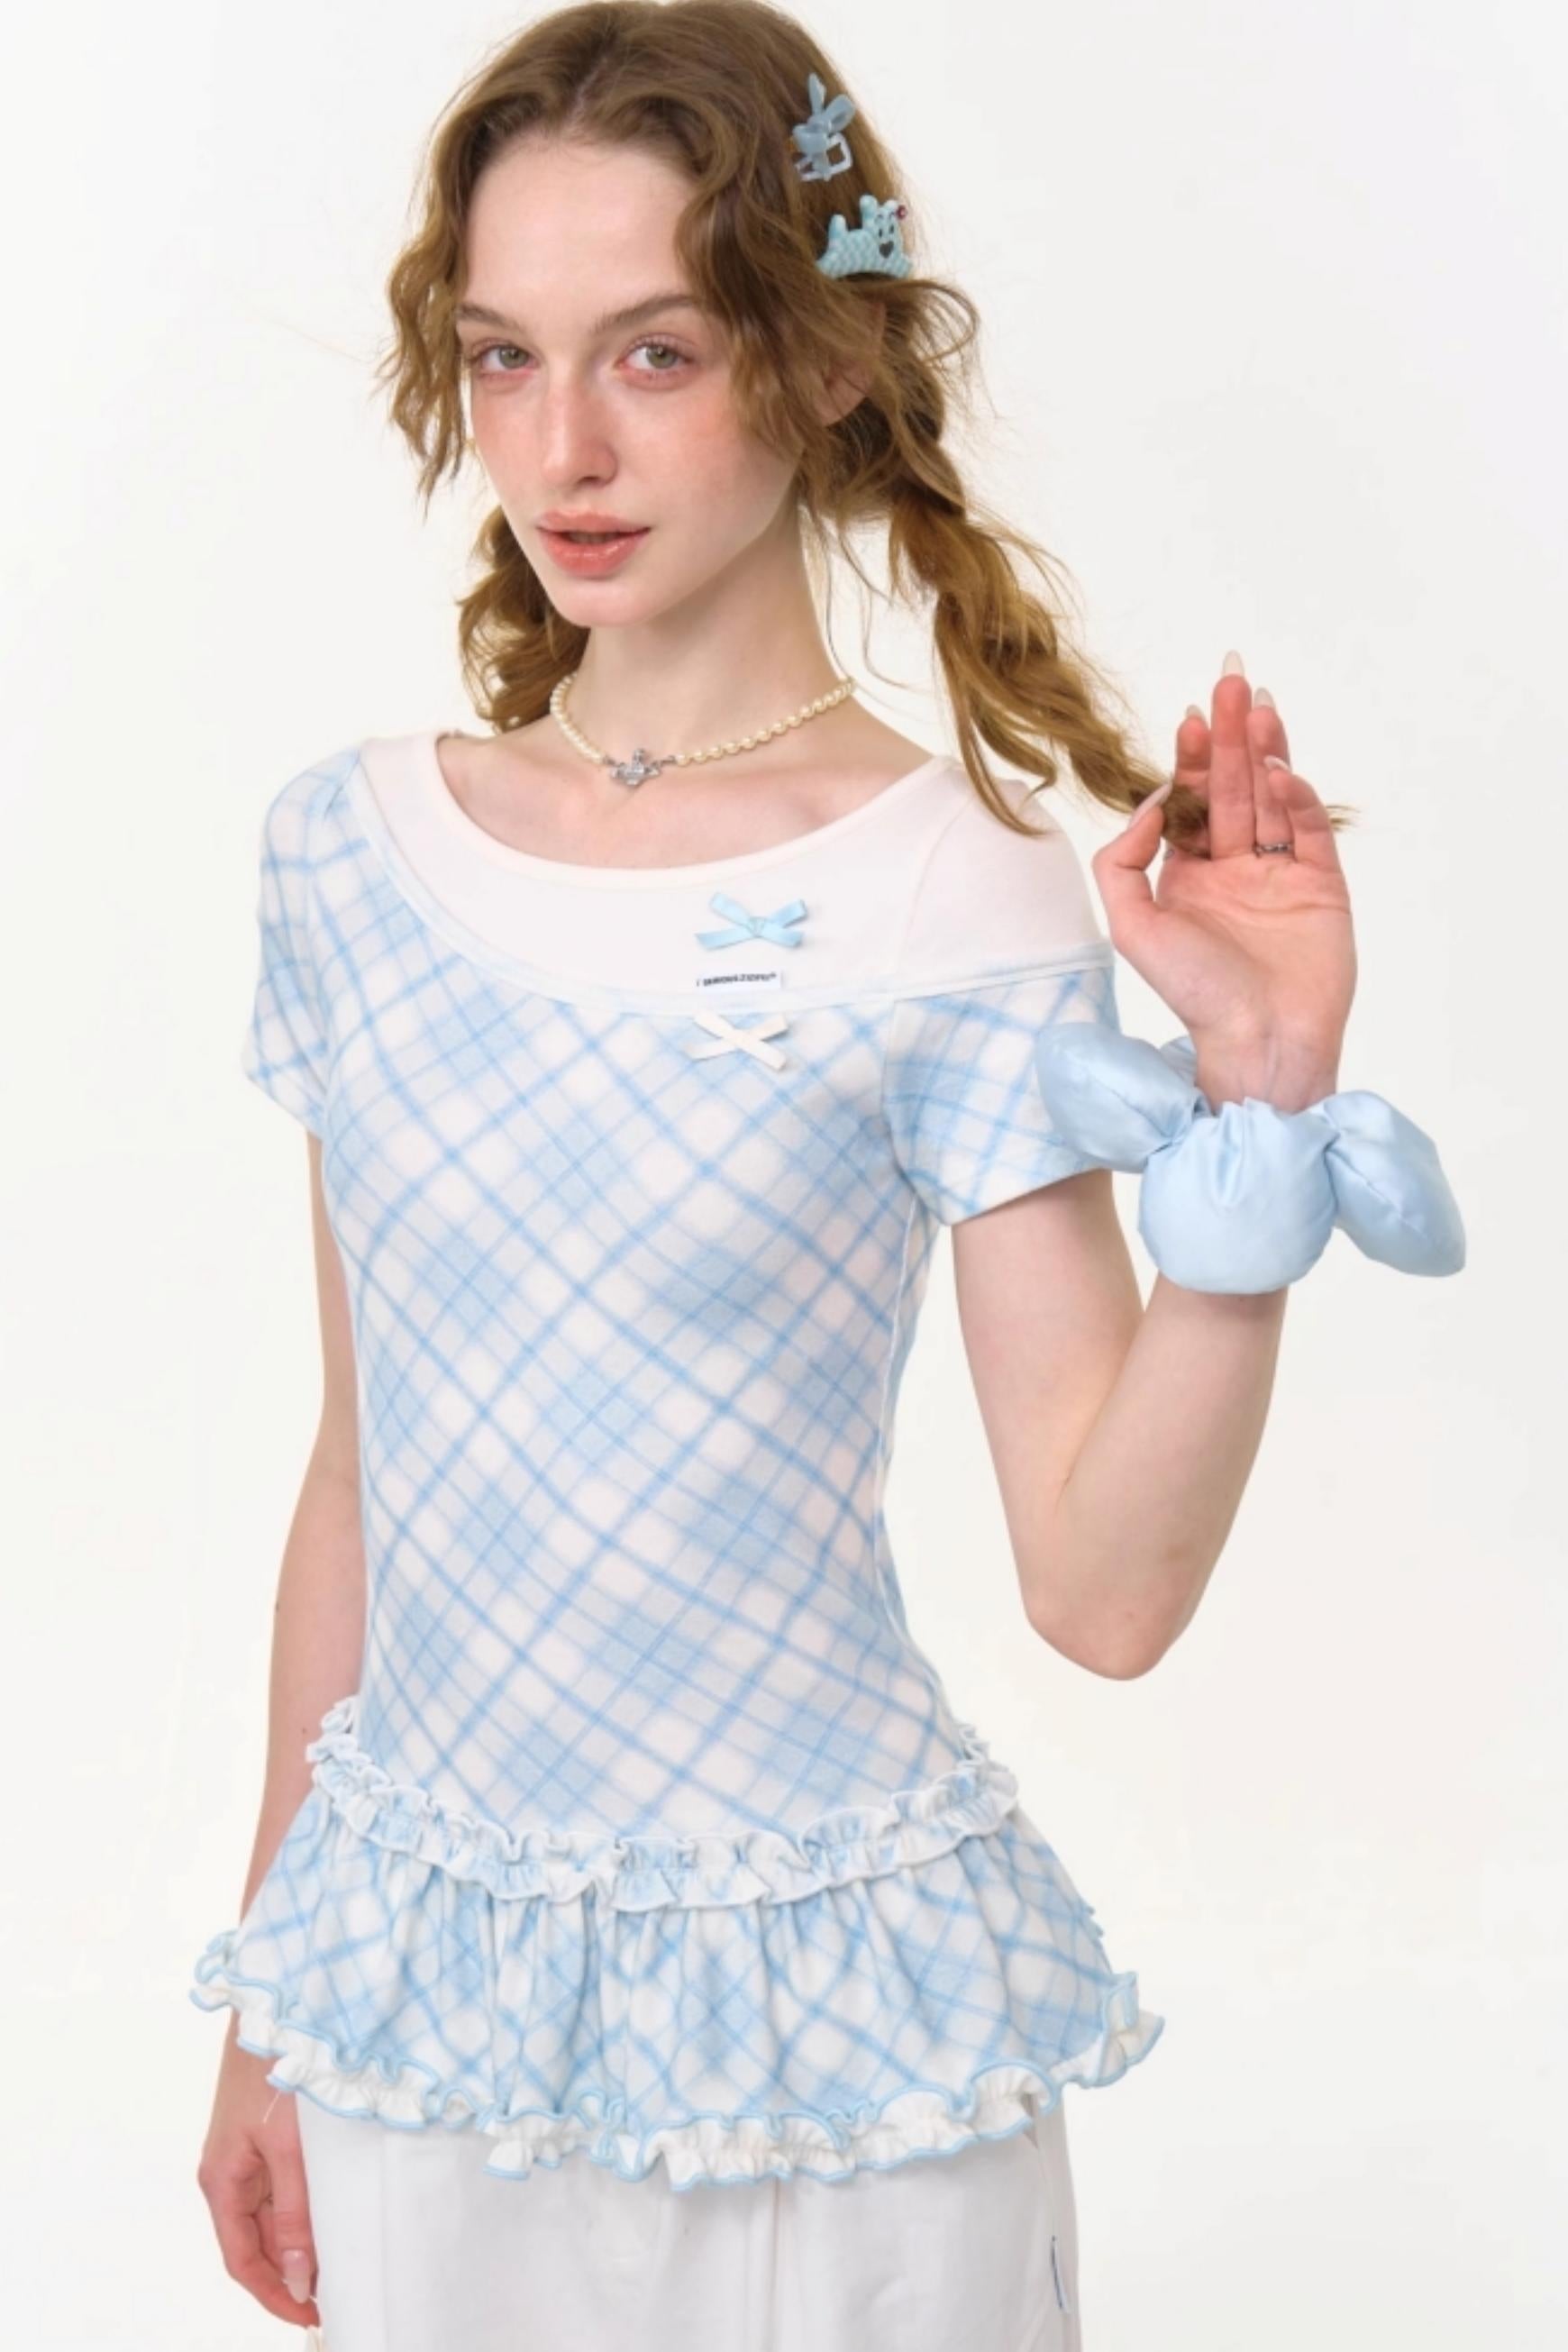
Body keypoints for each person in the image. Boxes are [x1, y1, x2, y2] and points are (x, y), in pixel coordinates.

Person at [189, 5, 1465, 2347]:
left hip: (836, 2061)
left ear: (824, 360)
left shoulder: (950, 892)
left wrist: (1264, 1089)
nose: (561, 448)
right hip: (422, 2029)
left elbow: (1103, 1588)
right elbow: (358, 1478)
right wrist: (268, 1998)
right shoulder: (347, 856)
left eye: (655, 353)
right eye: (504, 355)